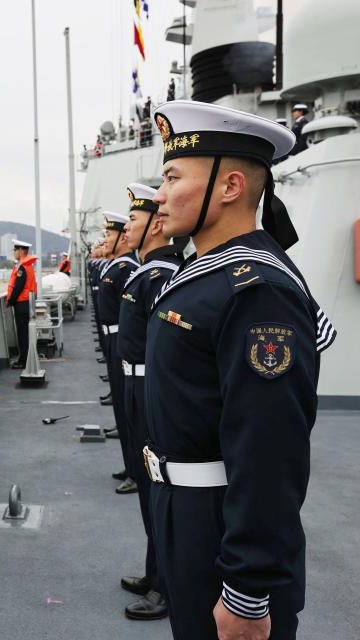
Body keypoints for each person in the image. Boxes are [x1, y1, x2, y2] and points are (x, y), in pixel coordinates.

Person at [145, 100, 336, 640]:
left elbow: (269, 448)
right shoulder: (206, 274)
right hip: (187, 513)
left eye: (172, 176)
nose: (160, 194)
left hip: (221, 527)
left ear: (229, 188)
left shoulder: (257, 291)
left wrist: (248, 592)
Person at [116, 182, 184, 622]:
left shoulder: (161, 275)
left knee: (157, 488)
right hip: (134, 385)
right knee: (147, 488)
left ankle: (164, 585)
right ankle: (153, 571)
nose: (127, 230)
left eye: (134, 221)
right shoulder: (147, 271)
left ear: (155, 226)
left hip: (150, 388)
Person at [96, 212, 139, 492]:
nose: (106, 239)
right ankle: (130, 465)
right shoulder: (118, 266)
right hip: (112, 339)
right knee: (122, 408)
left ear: (123, 237)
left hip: (121, 339)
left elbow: (131, 315)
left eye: (110, 234)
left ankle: (136, 472)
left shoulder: (126, 269)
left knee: (129, 411)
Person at [5, 239, 37, 369]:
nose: (14, 253)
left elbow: (18, 287)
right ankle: (24, 358)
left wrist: (10, 302)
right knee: (25, 333)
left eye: (15, 250)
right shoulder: (27, 266)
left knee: (22, 334)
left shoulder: (22, 267)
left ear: (21, 251)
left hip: (22, 304)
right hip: (26, 303)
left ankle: (23, 361)